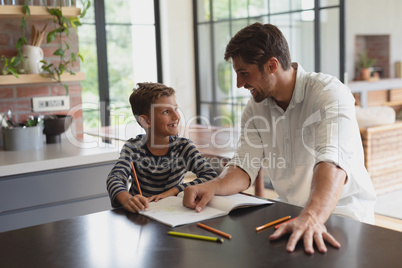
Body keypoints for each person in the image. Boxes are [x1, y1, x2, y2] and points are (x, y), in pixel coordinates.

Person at [182, 23, 376, 254]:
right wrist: (213, 185)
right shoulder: (254, 109)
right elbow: (244, 167)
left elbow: (332, 163)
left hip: (344, 216)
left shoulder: (328, 93)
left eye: (244, 73)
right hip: (293, 215)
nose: (239, 84)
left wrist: (312, 216)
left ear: (272, 65)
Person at [107, 82, 217, 213]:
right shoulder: (133, 147)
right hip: (143, 214)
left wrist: (174, 191)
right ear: (145, 121)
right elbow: (114, 178)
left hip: (173, 213)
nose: (176, 116)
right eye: (166, 111)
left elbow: (210, 175)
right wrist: (126, 199)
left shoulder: (183, 147)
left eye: (176, 109)